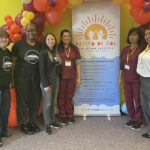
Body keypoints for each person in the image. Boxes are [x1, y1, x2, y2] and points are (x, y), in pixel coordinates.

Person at [11, 24, 41, 135]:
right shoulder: (18, 45)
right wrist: (12, 77)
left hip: (36, 77)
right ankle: (23, 123)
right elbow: (13, 62)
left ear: (36, 32)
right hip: (21, 77)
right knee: (22, 101)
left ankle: (32, 121)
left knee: (35, 99)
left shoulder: (40, 46)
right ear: (25, 32)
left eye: (33, 30)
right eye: (28, 30)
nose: (31, 32)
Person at [118, 27, 144, 130]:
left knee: (138, 100)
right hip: (127, 79)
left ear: (139, 37)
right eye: (130, 34)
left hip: (137, 80)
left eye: (135, 35)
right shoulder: (125, 49)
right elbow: (122, 65)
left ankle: (139, 120)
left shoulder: (141, 50)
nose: (132, 37)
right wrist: (119, 78)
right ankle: (132, 118)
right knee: (128, 99)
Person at [57, 29, 81, 125]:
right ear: (61, 38)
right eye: (65, 36)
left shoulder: (74, 48)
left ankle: (70, 114)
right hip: (60, 76)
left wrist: (79, 77)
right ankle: (62, 115)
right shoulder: (57, 48)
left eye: (68, 36)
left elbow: (78, 63)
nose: (67, 38)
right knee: (61, 96)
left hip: (71, 76)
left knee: (70, 96)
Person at [39, 33, 62, 135]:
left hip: (55, 80)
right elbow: (42, 71)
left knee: (53, 103)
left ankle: (52, 120)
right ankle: (47, 124)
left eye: (52, 39)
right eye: (48, 39)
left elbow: (57, 66)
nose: (50, 41)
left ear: (55, 40)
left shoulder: (56, 51)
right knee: (47, 104)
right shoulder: (43, 53)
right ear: (45, 41)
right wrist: (45, 85)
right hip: (47, 82)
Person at [137, 26, 150, 138]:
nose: (147, 36)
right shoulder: (146, 48)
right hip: (143, 79)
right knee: (145, 105)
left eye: (149, 34)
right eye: (146, 34)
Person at [0, 30, 12, 147]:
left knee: (5, 111)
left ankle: (3, 131)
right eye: (1, 37)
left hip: (6, 87)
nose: (4, 39)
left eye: (5, 38)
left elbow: (8, 69)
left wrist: (11, 83)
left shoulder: (8, 52)